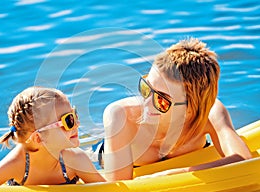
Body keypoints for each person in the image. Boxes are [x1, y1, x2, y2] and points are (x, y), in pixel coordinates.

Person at [102, 38, 252, 181]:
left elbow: (243, 161)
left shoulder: (209, 112)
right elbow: (118, 189)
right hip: (109, 153)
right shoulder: (121, 116)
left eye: (160, 99)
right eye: (146, 88)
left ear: (190, 108)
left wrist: (174, 174)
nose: (145, 103)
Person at [0, 86, 106, 185]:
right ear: (38, 138)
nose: (77, 124)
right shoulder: (17, 164)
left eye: (74, 114)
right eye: (68, 121)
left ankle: (102, 154)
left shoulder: (76, 159)